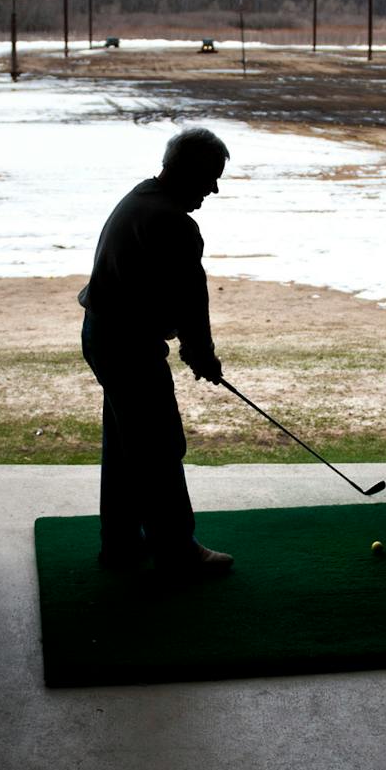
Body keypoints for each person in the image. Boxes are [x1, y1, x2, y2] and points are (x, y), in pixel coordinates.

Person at [79, 127, 234, 577]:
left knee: (128, 445)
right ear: (188, 171)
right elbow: (191, 301)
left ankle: (121, 543)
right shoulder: (174, 223)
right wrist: (201, 355)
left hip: (104, 333)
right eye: (211, 177)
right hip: (125, 345)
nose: (214, 188)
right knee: (160, 445)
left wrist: (193, 350)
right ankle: (177, 549)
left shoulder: (142, 196)